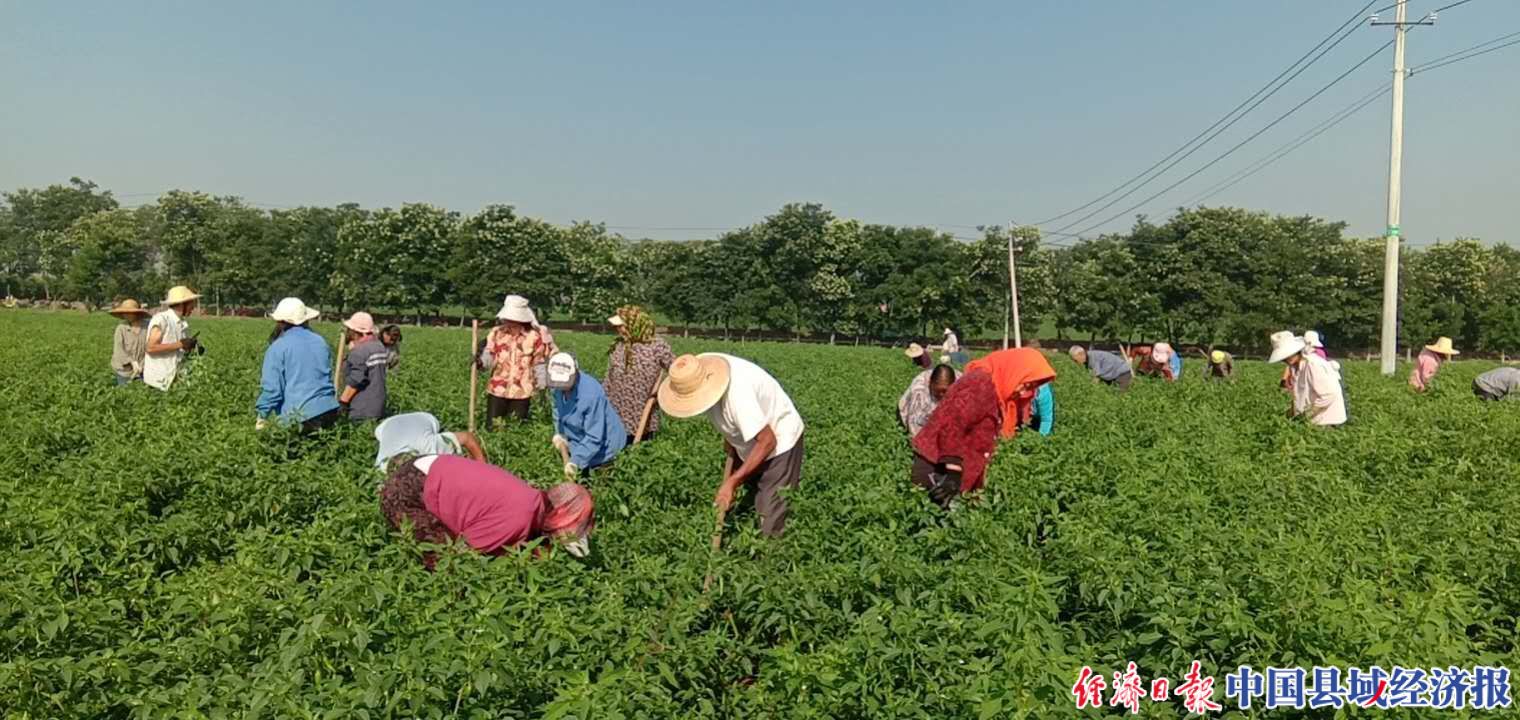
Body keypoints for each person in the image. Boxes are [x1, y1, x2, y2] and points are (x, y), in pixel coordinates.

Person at [658, 353, 805, 537]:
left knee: (770, 519)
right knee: (749, 505)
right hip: (753, 439)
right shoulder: (697, 370)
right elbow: (727, 416)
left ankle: (772, 548)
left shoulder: (739, 397)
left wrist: (732, 482)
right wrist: (731, 441)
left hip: (780, 440)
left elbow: (768, 441)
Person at [380, 454, 594, 569]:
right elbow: (467, 551)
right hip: (407, 494)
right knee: (447, 564)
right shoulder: (519, 517)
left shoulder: (530, 497)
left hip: (423, 465)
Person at [910, 347, 1055, 508]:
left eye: (1030, 387)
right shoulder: (981, 384)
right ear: (1014, 370)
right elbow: (953, 423)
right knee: (935, 517)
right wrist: (953, 472)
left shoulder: (998, 389)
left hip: (954, 472)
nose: (1023, 393)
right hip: (939, 471)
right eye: (1025, 384)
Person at [255, 297, 341, 433]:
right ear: (306, 319)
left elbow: (273, 389)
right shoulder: (320, 341)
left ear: (280, 322)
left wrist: (262, 415)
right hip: (329, 410)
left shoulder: (278, 347)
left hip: (300, 415)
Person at [547, 352, 628, 479]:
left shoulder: (591, 395)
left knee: (598, 481)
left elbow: (595, 436)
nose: (561, 386)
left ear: (575, 374)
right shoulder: (557, 383)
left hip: (604, 446)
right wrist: (560, 433)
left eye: (564, 382)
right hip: (579, 439)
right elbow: (557, 408)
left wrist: (575, 462)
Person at [603, 305, 675, 443]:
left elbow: (675, 370)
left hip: (643, 409)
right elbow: (609, 376)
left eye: (621, 326)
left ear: (634, 324)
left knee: (643, 445)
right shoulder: (619, 345)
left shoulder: (657, 346)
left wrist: (662, 392)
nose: (618, 329)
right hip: (616, 407)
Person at [477, 295, 550, 425]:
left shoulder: (534, 337)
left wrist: (542, 387)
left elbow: (539, 363)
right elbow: (489, 357)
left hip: (522, 391)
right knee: (492, 426)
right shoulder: (496, 333)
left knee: (516, 426)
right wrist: (480, 362)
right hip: (498, 389)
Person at [1269, 330, 1346, 427]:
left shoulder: (1313, 365)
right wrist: (1292, 413)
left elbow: (1329, 395)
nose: (1286, 359)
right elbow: (1299, 394)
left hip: (1325, 421)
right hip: (1311, 420)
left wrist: (1307, 414)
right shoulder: (1294, 367)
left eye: (1288, 355)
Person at [374, 412, 486, 469]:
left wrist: (483, 469)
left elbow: (467, 437)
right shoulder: (381, 466)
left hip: (424, 418)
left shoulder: (430, 447)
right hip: (385, 426)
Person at [143, 285, 201, 392]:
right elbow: (150, 348)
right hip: (159, 381)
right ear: (182, 304)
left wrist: (193, 347)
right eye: (191, 304)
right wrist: (180, 344)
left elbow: (180, 350)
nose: (193, 308)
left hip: (175, 378)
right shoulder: (161, 319)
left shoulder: (183, 324)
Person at [338, 312, 389, 421]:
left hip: (361, 408)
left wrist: (343, 402)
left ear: (356, 332)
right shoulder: (379, 346)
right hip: (378, 404)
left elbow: (356, 380)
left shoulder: (360, 352)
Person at [899, 364, 957, 438]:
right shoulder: (919, 394)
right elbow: (914, 430)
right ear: (930, 383)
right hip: (910, 412)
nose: (941, 394)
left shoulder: (961, 384)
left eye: (945, 391)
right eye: (938, 391)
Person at [108, 298, 149, 386]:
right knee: (125, 391)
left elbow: (149, 347)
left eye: (129, 312)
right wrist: (132, 362)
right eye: (124, 312)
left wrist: (142, 364)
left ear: (137, 313)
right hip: (124, 371)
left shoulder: (147, 327)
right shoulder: (121, 328)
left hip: (142, 369)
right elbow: (119, 350)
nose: (126, 315)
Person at [1068, 345, 1133, 390]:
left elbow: (1096, 377)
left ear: (1081, 354)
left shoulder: (1093, 358)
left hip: (1122, 374)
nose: (1075, 362)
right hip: (1111, 374)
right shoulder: (1087, 359)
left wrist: (1091, 390)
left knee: (1120, 396)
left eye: (1075, 360)